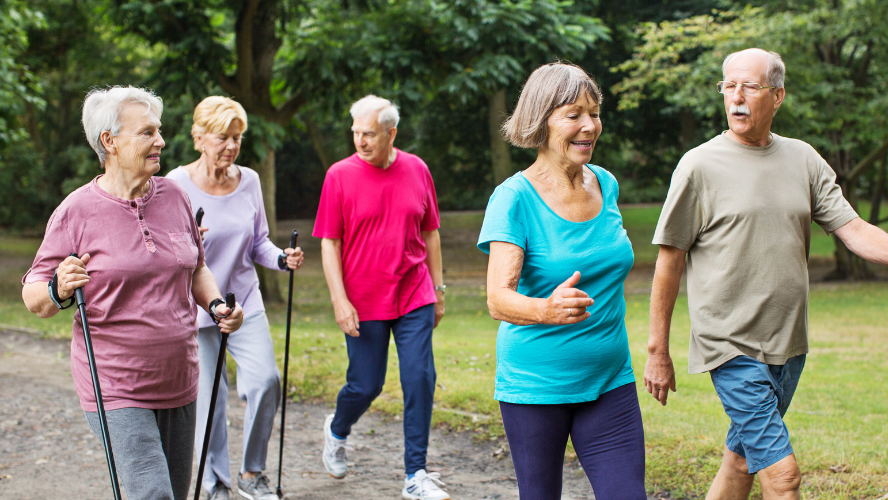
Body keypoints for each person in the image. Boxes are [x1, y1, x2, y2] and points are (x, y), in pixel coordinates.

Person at [644, 48, 888, 500]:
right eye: (729, 86)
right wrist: (658, 350)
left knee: (742, 459)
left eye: (750, 86)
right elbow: (669, 260)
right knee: (783, 476)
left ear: (778, 95)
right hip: (730, 346)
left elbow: (853, 228)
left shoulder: (803, 159)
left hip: (788, 344)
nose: (736, 97)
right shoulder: (699, 166)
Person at [21, 86, 244, 500]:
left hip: (179, 378)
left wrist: (216, 306)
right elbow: (34, 296)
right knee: (153, 493)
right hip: (115, 384)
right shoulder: (76, 211)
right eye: (147, 132)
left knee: (174, 493)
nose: (161, 141)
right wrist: (57, 287)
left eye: (158, 130)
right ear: (109, 141)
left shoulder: (175, 196)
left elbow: (196, 266)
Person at [477, 62, 646, 499]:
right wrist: (545, 309)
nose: (589, 126)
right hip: (536, 386)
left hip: (610, 379)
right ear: (541, 121)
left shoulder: (605, 184)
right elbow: (497, 299)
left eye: (594, 113)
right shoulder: (514, 198)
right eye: (574, 115)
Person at [165, 96, 304, 500]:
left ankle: (251, 472)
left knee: (266, 380)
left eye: (237, 138)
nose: (231, 146)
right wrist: (186, 241)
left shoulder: (250, 181)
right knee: (211, 401)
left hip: (244, 302)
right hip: (197, 309)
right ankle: (215, 484)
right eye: (223, 137)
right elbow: (160, 248)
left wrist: (281, 258)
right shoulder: (175, 184)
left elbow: (259, 242)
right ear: (199, 137)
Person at [313, 95, 448, 500]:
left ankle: (415, 474)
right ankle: (337, 429)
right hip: (364, 299)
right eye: (356, 132)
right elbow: (329, 243)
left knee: (419, 378)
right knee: (365, 385)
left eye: (369, 134)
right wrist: (339, 300)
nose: (360, 141)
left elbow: (431, 233)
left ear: (391, 133)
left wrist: (438, 290)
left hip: (414, 292)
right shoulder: (339, 175)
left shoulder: (417, 168)